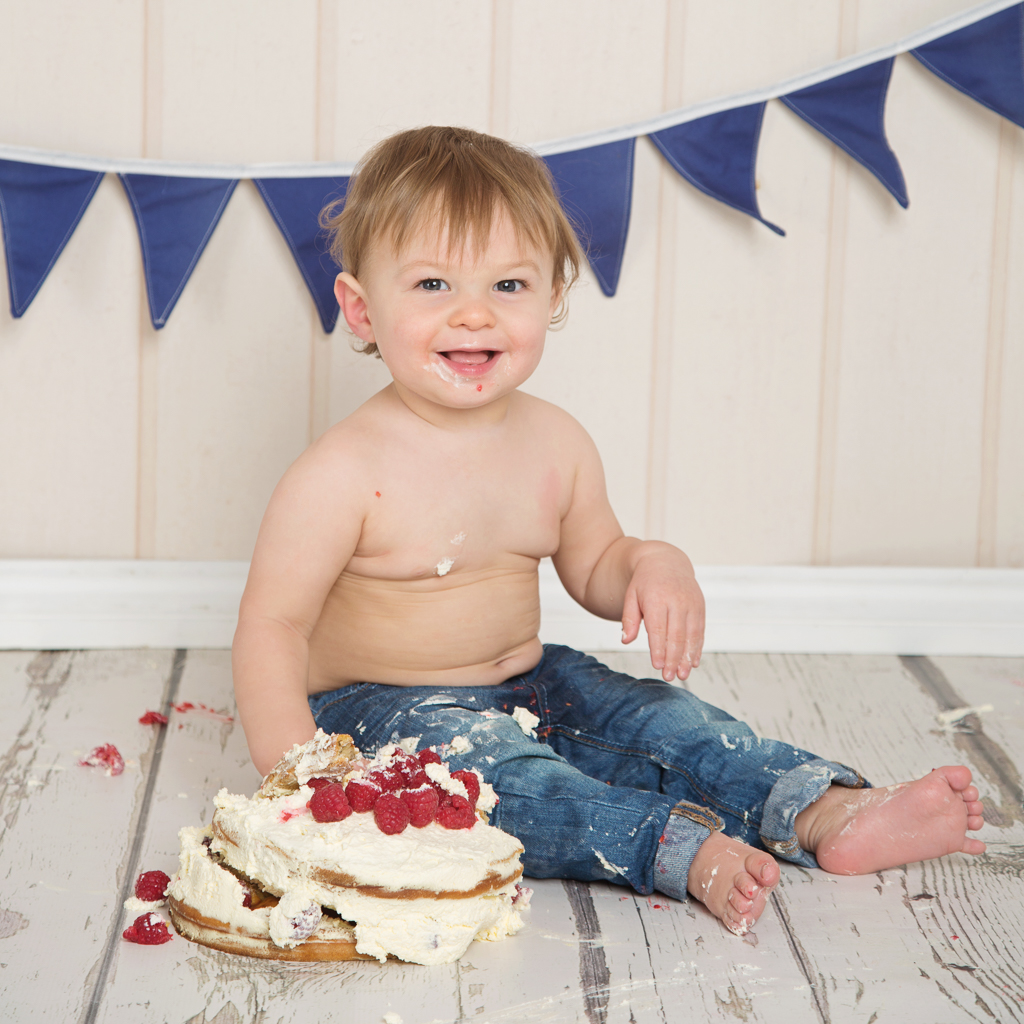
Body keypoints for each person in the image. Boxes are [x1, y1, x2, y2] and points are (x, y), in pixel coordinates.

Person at [232, 125, 986, 936]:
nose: (474, 312)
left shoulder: (554, 443)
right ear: (361, 308)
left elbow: (596, 566)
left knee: (663, 721)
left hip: (533, 678)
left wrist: (652, 563)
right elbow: (273, 627)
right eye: (432, 284)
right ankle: (672, 847)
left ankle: (821, 809)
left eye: (509, 284)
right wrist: (301, 775)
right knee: (507, 784)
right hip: (383, 709)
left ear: (553, 297)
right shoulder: (341, 473)